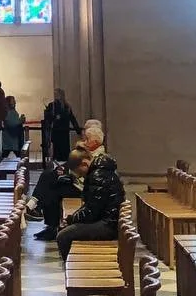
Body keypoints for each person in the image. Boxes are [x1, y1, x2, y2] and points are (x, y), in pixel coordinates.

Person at [55, 122, 126, 259]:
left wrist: (71, 219)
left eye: (79, 172)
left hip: (107, 225)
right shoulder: (99, 171)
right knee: (65, 231)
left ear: (84, 163)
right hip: (106, 219)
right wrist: (72, 218)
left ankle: (72, 265)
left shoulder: (98, 175)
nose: (81, 175)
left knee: (63, 236)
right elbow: (91, 206)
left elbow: (91, 212)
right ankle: (73, 264)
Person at [32, 139, 94, 241]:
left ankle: (37, 209)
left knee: (52, 188)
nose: (85, 140)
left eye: (88, 138)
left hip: (82, 189)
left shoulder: (97, 154)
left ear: (95, 141)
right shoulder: (87, 153)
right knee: (48, 178)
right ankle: (50, 225)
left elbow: (85, 173)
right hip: (77, 181)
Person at [42, 89, 81, 163]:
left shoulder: (67, 106)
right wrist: (54, 117)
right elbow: (48, 118)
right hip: (56, 131)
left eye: (57, 94)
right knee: (57, 151)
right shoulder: (52, 105)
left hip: (64, 131)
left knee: (65, 151)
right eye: (55, 94)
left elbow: (72, 118)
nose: (55, 95)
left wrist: (78, 130)